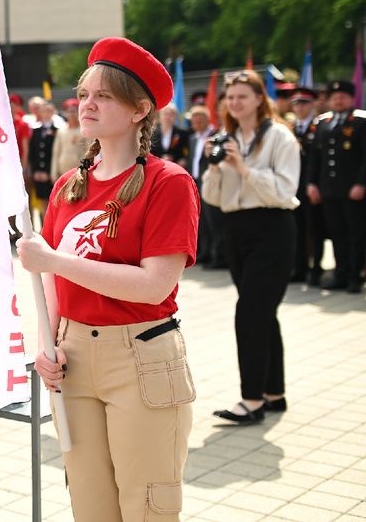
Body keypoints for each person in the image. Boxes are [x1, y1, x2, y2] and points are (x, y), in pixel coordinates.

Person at [17, 37, 198, 522]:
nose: (87, 104)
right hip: (72, 359)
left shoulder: (169, 182)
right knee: (91, 507)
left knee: (146, 509)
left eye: (105, 95)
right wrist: (45, 344)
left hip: (140, 356)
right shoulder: (66, 186)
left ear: (141, 110)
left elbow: (153, 285)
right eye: (84, 93)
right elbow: (51, 289)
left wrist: (54, 260)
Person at [202, 70, 300, 423]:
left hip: (272, 228)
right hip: (236, 229)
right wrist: (216, 168)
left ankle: (251, 401)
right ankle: (274, 394)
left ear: (261, 98)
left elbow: (285, 191)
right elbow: (210, 197)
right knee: (262, 313)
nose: (235, 102)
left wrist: (243, 169)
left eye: (243, 96)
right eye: (230, 97)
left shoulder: (279, 137)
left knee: (250, 313)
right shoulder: (223, 138)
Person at [306, 79, 366, 292]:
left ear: (351, 98)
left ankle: (355, 277)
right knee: (337, 233)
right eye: (334, 98)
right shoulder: (323, 122)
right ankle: (340, 275)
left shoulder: (361, 121)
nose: (338, 101)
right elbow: (315, 157)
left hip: (353, 191)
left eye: (342, 97)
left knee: (356, 235)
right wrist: (312, 183)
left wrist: (361, 183)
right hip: (328, 189)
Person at [289, 88, 324, 285]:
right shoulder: (290, 128)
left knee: (316, 229)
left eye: (304, 103)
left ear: (312, 105)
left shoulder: (319, 127)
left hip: (312, 187)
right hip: (294, 187)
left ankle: (316, 270)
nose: (300, 107)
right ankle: (299, 267)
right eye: (297, 103)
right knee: (298, 230)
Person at [186, 105, 220, 267]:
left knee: (213, 219)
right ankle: (203, 252)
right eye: (194, 122)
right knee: (200, 220)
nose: (196, 125)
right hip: (196, 182)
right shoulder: (193, 138)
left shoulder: (215, 136)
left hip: (211, 182)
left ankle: (218, 255)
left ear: (207, 120)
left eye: (200, 122)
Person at [50, 99, 87, 183]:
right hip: (63, 172)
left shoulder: (84, 130)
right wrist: (53, 173)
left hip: (79, 173)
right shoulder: (61, 130)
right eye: (69, 111)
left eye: (74, 111)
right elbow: (56, 152)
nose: (72, 114)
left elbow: (89, 151)